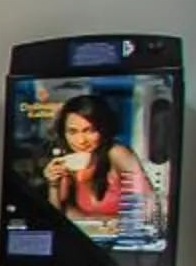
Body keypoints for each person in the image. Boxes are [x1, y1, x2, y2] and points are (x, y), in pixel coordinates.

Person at [43, 94, 153, 230]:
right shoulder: (69, 161)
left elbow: (149, 207)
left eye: (89, 131)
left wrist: (99, 220)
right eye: (72, 132)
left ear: (103, 129)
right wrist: (53, 185)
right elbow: (57, 220)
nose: (81, 141)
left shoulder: (117, 153)